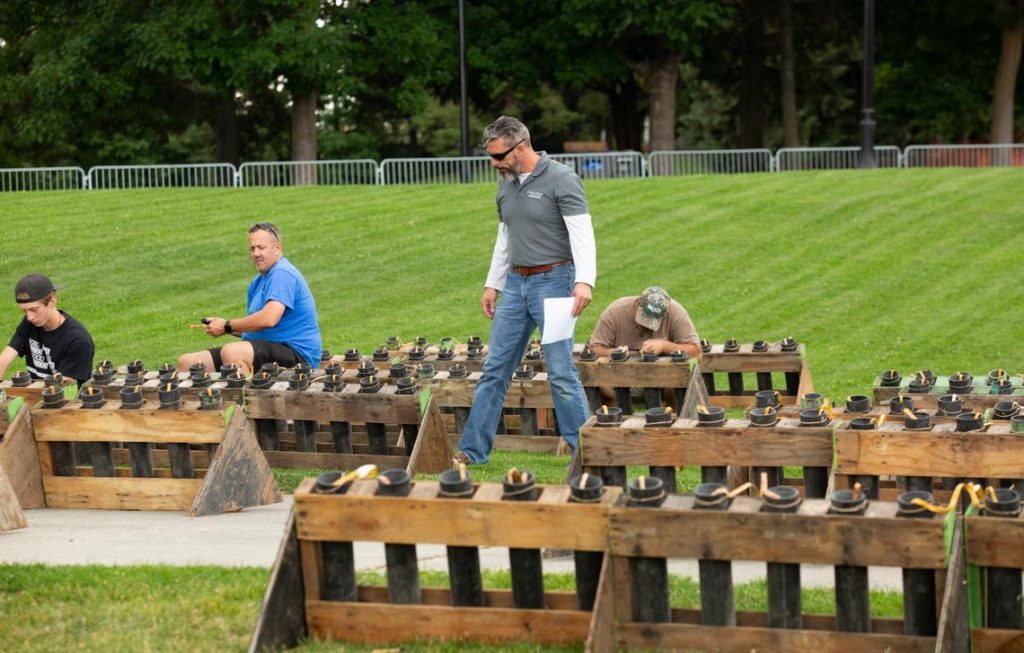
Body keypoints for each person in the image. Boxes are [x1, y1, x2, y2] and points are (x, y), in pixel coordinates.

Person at [454, 116, 596, 465]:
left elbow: (582, 233)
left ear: (521, 148)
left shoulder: (562, 179)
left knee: (561, 371)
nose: (493, 163)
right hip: (516, 285)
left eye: (499, 156)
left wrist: (585, 281)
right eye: (490, 156)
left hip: (556, 281)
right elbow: (505, 239)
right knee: (495, 369)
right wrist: (493, 283)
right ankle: (472, 453)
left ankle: (589, 456)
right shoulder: (505, 184)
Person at [177, 222, 322, 375]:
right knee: (187, 363)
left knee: (232, 352)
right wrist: (223, 327)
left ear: (277, 248)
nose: (256, 253)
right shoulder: (258, 282)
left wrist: (227, 325)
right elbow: (253, 327)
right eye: (252, 248)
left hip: (297, 355)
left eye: (261, 247)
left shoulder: (283, 274)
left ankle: (246, 399)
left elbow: (268, 319)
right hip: (266, 348)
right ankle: (214, 399)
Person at [0, 273, 95, 386]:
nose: (29, 317)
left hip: (64, 399)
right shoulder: (30, 323)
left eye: (34, 309)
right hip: (35, 393)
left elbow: (63, 389)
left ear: (52, 301)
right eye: (24, 311)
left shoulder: (78, 341)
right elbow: (3, 360)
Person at [588, 286, 701, 359]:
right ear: (637, 305)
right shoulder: (615, 312)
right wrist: (615, 353)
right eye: (644, 318)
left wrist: (664, 346)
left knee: (681, 378)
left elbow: (697, 352)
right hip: (619, 377)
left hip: (664, 377)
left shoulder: (676, 313)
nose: (646, 326)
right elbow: (594, 349)